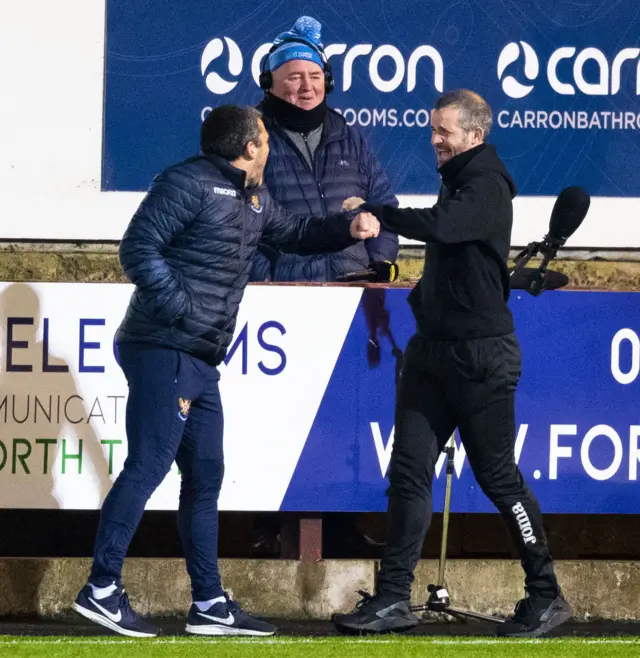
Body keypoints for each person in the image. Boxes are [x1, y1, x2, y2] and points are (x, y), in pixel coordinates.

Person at [71, 104, 380, 639]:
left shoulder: (254, 197)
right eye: (265, 139)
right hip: (164, 346)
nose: (269, 147)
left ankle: (209, 603)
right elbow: (137, 249)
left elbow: (298, 232)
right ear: (250, 147)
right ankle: (100, 589)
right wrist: (182, 309)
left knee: (205, 474)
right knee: (148, 464)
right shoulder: (187, 183)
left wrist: (347, 226)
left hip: (198, 358)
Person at [332, 89, 572, 638]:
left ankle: (546, 595)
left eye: (444, 131)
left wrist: (377, 213)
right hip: (432, 352)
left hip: (481, 358)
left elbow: (441, 228)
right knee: (408, 472)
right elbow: (462, 255)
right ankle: (393, 598)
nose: (435, 141)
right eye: (433, 131)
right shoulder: (460, 180)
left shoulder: (485, 182)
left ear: (474, 135)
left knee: (496, 475)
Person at [249, 15, 399, 284]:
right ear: (268, 83)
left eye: (315, 76)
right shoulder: (250, 138)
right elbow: (230, 219)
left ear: (327, 80)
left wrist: (379, 262)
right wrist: (266, 279)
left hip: (353, 289)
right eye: (295, 78)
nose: (308, 87)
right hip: (281, 296)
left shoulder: (350, 138)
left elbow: (384, 208)